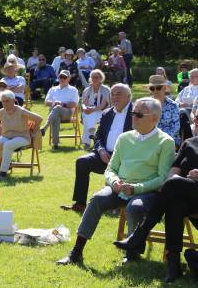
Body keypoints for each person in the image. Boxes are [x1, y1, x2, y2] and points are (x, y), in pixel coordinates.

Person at [57, 97, 176, 266]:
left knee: (135, 207)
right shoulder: (124, 138)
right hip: (119, 187)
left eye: (138, 114)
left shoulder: (165, 142)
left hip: (147, 192)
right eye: (133, 113)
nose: (133, 117)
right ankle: (76, 252)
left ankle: (132, 253)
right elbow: (110, 169)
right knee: (97, 199)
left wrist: (136, 188)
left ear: (154, 118)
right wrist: (113, 182)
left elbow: (163, 178)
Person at [114, 134, 198, 282]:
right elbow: (173, 172)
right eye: (196, 117)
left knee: (172, 185)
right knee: (175, 205)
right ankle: (174, 267)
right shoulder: (189, 143)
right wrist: (177, 179)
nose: (197, 121)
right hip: (187, 196)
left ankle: (139, 234)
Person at [61, 84, 133, 212]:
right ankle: (80, 203)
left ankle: (118, 205)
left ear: (128, 96)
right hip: (105, 156)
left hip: (126, 158)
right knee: (82, 162)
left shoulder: (135, 114)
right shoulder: (107, 113)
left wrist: (119, 156)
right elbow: (98, 136)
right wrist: (100, 150)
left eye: (119, 94)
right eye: (113, 94)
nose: (115, 97)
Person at [0, 90, 42, 179]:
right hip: (6, 136)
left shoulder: (20, 111)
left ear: (13, 100)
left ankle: (3, 173)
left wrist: (34, 132)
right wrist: (1, 129)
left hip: (22, 137)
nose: (5, 103)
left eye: (7, 101)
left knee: (8, 145)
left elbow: (38, 119)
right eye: (3, 101)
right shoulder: (2, 111)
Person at [40, 70, 80, 149]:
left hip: (68, 113)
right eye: (60, 77)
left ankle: (44, 128)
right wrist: (55, 103)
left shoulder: (73, 90)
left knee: (57, 108)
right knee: (56, 116)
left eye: (64, 77)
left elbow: (74, 104)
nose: (62, 79)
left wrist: (62, 104)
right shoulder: (53, 89)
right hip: (55, 113)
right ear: (58, 78)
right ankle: (55, 144)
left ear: (68, 79)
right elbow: (46, 102)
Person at [147, 74, 181, 148]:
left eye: (158, 88)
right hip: (148, 139)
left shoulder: (173, 105)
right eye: (152, 88)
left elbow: (175, 128)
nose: (155, 90)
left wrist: (160, 139)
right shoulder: (145, 105)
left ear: (164, 88)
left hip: (169, 139)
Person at [80, 70, 110, 149]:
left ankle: (87, 142)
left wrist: (91, 110)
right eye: (92, 77)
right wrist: (85, 108)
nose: (94, 79)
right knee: (88, 115)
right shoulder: (87, 90)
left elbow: (102, 105)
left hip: (102, 112)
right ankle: (92, 133)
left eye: (96, 77)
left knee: (88, 116)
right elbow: (84, 103)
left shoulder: (105, 89)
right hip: (89, 111)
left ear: (101, 78)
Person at [177, 68, 198, 140]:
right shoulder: (186, 89)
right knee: (182, 115)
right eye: (190, 76)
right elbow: (176, 100)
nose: (190, 78)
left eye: (193, 77)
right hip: (184, 111)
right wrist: (180, 104)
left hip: (195, 113)